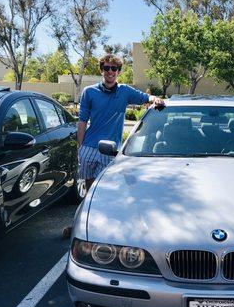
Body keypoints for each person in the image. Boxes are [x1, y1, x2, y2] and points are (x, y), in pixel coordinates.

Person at [62, 54, 164, 238]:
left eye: (114, 69)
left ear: (118, 72)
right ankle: (79, 228)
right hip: (89, 149)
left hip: (110, 151)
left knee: (107, 193)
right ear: (101, 70)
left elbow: (145, 97)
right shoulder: (89, 92)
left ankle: (104, 231)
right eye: (107, 68)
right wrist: (80, 147)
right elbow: (82, 121)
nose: (110, 72)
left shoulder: (125, 91)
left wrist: (155, 98)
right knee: (90, 194)